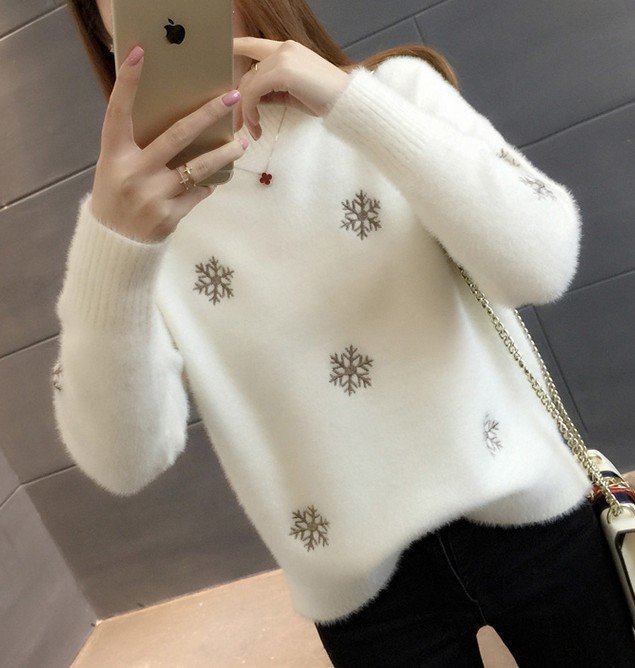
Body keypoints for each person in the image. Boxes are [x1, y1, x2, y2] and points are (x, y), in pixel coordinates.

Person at [55, 1, 635, 665]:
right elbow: (123, 461)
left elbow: (541, 266)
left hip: (532, 511)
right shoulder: (134, 222)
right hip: (364, 596)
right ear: (105, 31)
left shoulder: (397, 93)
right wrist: (115, 247)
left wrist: (351, 104)